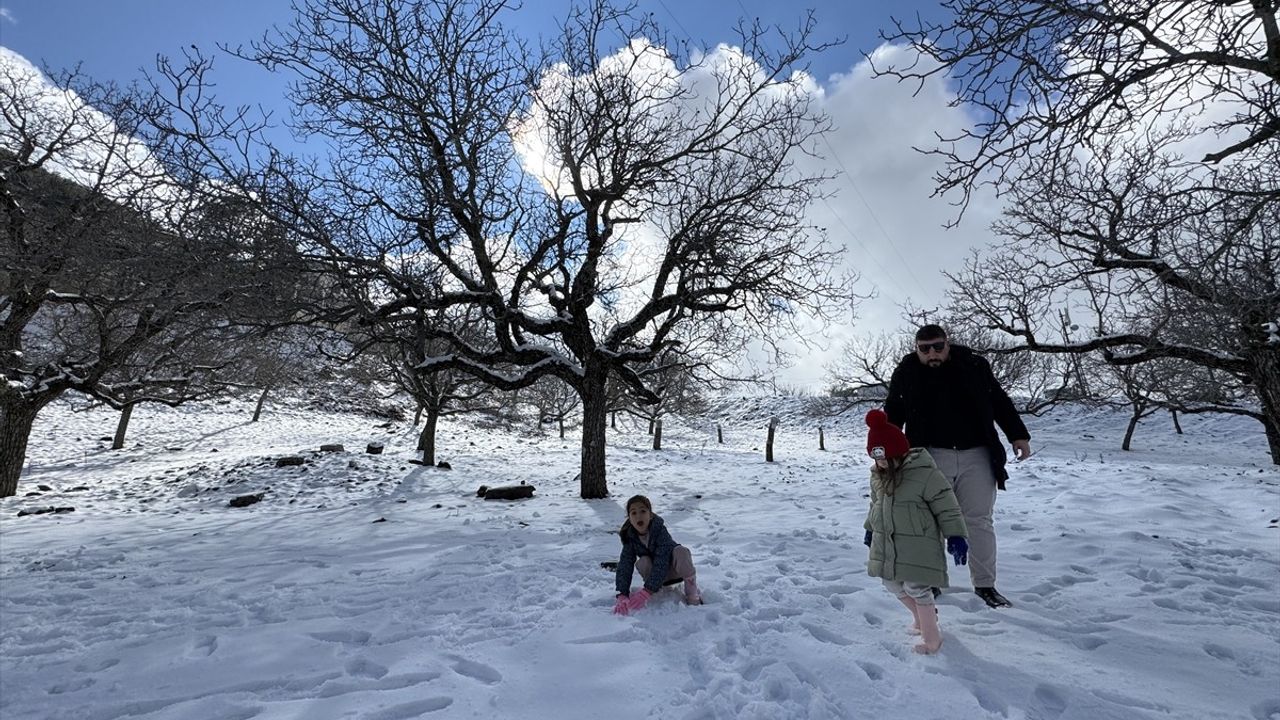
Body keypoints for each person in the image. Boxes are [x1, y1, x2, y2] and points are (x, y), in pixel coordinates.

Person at [885, 323, 1031, 609]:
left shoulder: (974, 365)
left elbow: (998, 400)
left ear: (948, 344)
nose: (932, 353)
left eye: (938, 346)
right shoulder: (906, 372)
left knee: (978, 520)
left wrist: (1018, 435)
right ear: (917, 349)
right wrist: (887, 450)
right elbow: (893, 411)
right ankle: (933, 582)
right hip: (928, 456)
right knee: (929, 522)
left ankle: (986, 585)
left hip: (977, 455)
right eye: (925, 349)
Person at [862, 409, 969, 654]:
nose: (879, 463)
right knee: (890, 583)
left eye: (883, 458)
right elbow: (875, 504)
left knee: (917, 588)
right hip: (888, 542)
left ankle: (932, 639)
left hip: (919, 545)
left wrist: (955, 535)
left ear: (897, 453)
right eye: (875, 458)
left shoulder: (925, 474)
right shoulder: (878, 476)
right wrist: (870, 528)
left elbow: (947, 507)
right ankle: (923, 617)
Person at [613, 495, 702, 614]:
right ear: (629, 518)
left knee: (681, 551)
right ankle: (654, 588)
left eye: (643, 511)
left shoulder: (659, 530)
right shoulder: (631, 538)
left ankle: (692, 592)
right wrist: (622, 595)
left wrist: (646, 591)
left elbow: (662, 559)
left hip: (674, 571)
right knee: (643, 561)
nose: (638, 516)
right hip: (656, 581)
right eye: (633, 513)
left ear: (650, 515)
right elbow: (625, 565)